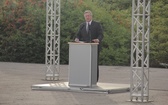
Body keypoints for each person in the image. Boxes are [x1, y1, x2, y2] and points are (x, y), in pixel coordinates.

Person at [74, 10, 103, 82]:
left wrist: (98, 39)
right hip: (84, 48)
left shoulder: (97, 24)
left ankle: (94, 80)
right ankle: (85, 79)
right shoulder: (82, 25)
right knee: (85, 64)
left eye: (88, 16)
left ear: (91, 16)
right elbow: (78, 34)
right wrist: (77, 39)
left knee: (94, 64)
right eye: (86, 16)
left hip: (94, 47)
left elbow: (101, 34)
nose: (87, 17)